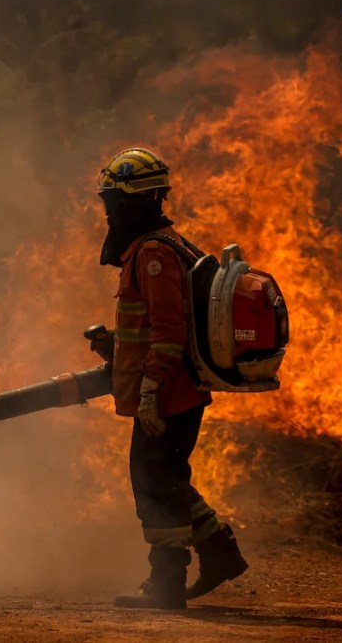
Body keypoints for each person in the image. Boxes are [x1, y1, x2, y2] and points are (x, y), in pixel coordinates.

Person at [96, 147, 248, 610]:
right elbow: (153, 326)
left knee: (153, 483)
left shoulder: (154, 254)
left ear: (131, 202)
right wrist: (116, 344)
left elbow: (168, 330)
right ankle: (219, 551)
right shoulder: (161, 244)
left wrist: (150, 389)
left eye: (112, 202)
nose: (107, 212)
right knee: (166, 478)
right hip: (175, 389)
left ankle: (166, 585)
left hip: (168, 395)